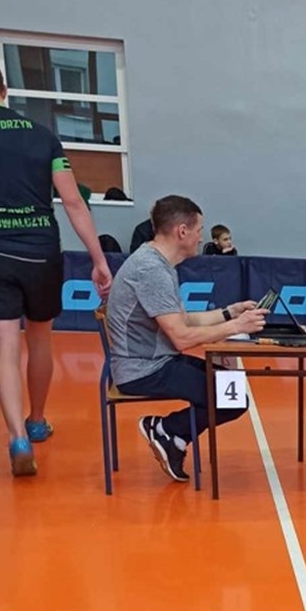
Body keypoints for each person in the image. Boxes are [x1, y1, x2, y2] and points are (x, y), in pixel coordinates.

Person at [0, 53, 113, 476]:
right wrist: (98, 260)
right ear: (4, 89)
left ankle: (17, 439)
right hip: (43, 250)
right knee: (40, 341)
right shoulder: (43, 136)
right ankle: (37, 421)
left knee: (5, 347)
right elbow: (74, 202)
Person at [105, 195, 267, 482]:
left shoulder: (158, 263)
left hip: (157, 361)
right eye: (199, 230)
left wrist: (229, 313)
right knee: (231, 399)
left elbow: (184, 320)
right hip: (142, 370)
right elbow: (181, 337)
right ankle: (166, 429)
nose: (201, 237)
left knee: (230, 387)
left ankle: (173, 437)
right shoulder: (151, 270)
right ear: (182, 231)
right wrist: (235, 327)